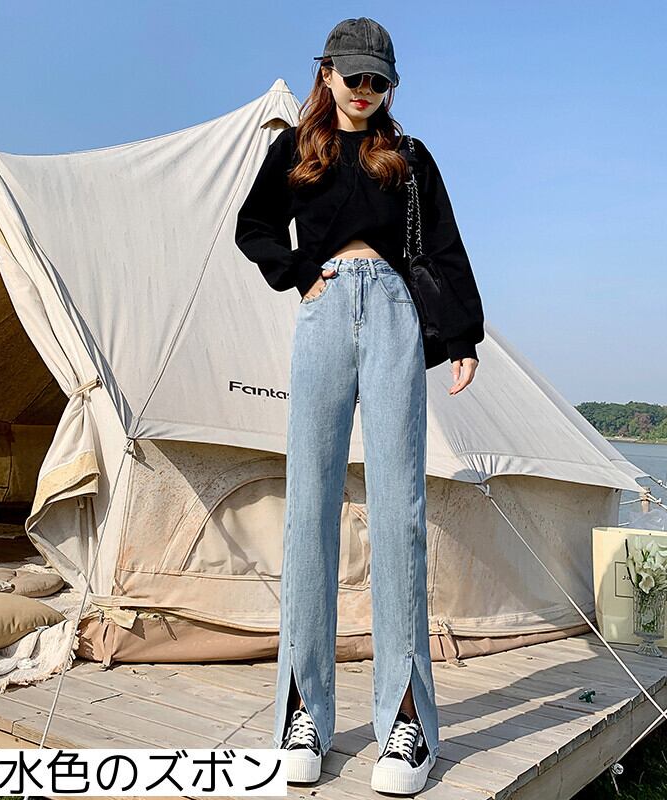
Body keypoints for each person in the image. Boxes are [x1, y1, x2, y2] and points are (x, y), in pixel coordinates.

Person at [234, 16, 484, 795]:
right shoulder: (295, 149)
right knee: (308, 509)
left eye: (380, 80)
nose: (366, 91)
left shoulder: (408, 156)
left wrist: (462, 335)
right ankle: (301, 713)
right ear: (328, 73)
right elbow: (253, 226)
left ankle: (405, 718)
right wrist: (298, 273)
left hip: (395, 315)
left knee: (399, 512)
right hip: (323, 311)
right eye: (355, 77)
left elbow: (443, 243)